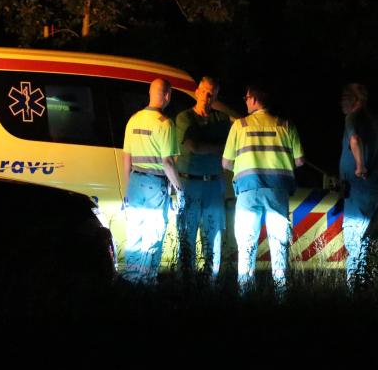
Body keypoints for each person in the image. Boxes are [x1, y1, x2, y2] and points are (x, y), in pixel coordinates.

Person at [222, 84, 305, 293]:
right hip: (277, 191)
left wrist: (244, 168)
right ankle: (280, 293)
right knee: (278, 243)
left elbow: (225, 163)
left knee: (246, 244)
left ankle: (245, 292)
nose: (245, 101)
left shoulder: (239, 126)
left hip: (248, 191)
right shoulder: (285, 125)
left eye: (246, 98)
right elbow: (301, 160)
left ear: (253, 99)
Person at [122, 78, 182, 284]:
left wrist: (129, 184)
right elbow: (167, 162)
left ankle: (131, 280)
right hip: (156, 185)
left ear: (150, 93)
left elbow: (126, 157)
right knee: (153, 236)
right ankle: (147, 283)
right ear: (167, 96)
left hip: (135, 183)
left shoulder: (133, 119)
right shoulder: (165, 124)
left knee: (135, 235)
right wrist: (178, 188)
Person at [338, 83, 378, 283]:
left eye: (345, 96)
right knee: (366, 243)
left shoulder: (353, 118)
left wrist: (360, 166)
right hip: (377, 188)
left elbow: (355, 140)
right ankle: (364, 288)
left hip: (359, 189)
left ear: (355, 100)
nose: (341, 100)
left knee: (354, 242)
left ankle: (353, 291)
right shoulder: (376, 122)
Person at [175, 77, 233, 280]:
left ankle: (211, 282)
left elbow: (227, 150)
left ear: (216, 97)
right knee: (187, 234)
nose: (207, 97)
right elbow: (194, 147)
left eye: (212, 94)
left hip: (213, 184)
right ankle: (186, 281)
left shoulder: (222, 119)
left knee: (213, 235)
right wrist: (215, 148)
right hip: (189, 183)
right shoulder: (184, 117)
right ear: (197, 92)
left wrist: (205, 146)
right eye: (204, 92)